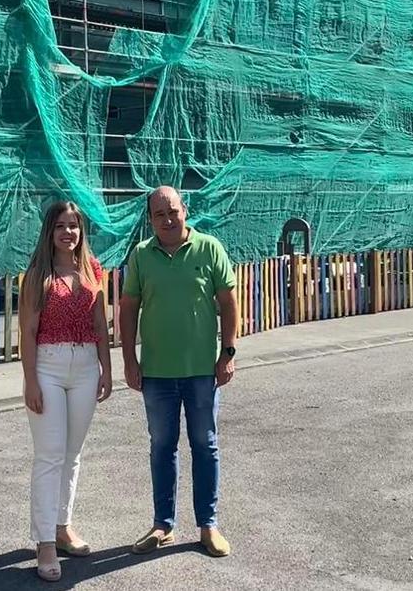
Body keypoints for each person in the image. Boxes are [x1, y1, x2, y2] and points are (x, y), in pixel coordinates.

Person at [120, 185, 238, 558]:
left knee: (205, 445)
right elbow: (128, 309)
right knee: (161, 447)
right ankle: (162, 524)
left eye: (173, 211)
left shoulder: (209, 248)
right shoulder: (141, 255)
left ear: (185, 210)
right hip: (156, 372)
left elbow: (229, 302)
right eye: (159, 214)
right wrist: (129, 360)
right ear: (150, 219)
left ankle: (208, 525)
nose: (168, 220)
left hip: (203, 370)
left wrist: (228, 352)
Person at [20, 201, 113, 582]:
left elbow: (99, 323)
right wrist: (30, 380)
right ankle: (43, 541)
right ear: (50, 231)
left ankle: (62, 526)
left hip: (86, 366)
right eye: (61, 226)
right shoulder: (38, 274)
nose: (68, 233)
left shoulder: (92, 270)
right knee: (50, 455)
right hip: (49, 367)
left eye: (73, 226)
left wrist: (107, 368)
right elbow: (26, 332)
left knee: (72, 454)